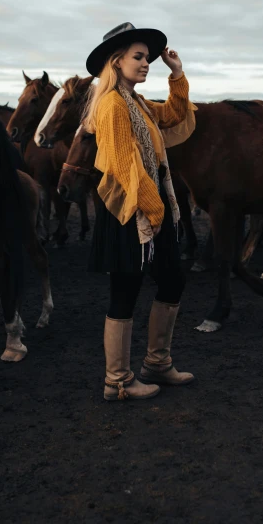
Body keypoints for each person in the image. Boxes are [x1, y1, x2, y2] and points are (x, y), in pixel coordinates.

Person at [85, 22, 195, 401]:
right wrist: (156, 210)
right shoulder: (113, 103)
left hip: (150, 205)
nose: (147, 63)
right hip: (129, 209)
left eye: (148, 58)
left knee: (172, 280)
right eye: (139, 56)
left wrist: (176, 74)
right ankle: (117, 381)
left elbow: (175, 116)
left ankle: (157, 364)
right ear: (116, 62)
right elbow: (123, 164)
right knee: (126, 288)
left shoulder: (138, 102)